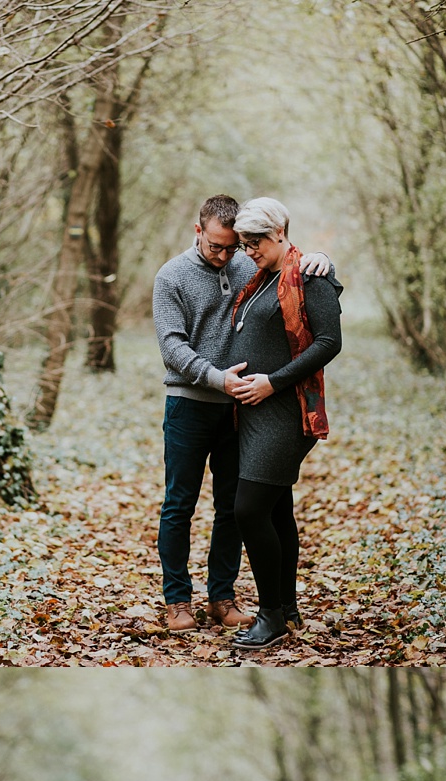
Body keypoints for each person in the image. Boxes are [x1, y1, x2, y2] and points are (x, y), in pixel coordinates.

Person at [152, 198, 336, 634]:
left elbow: (290, 269)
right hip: (190, 405)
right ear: (197, 230)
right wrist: (217, 379)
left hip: (239, 413)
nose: (225, 255)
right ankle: (177, 600)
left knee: (232, 509)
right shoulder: (170, 277)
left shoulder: (246, 264)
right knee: (179, 505)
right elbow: (172, 347)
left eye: (232, 247)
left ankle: (222, 596)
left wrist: (321, 258)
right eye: (216, 245)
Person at [223, 198, 342, 652]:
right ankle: (287, 607)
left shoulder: (310, 273)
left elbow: (330, 341)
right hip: (252, 413)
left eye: (254, 243)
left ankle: (269, 615)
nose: (247, 251)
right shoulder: (260, 277)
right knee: (276, 512)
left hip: (286, 411)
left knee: (248, 510)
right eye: (243, 244)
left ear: (279, 234)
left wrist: (272, 382)